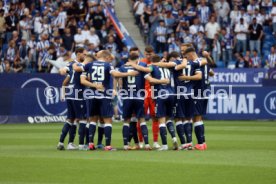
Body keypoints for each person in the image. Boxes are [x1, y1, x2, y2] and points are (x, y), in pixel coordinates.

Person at [80, 50, 138, 151]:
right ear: (106, 57)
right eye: (109, 58)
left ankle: (90, 143)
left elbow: (82, 80)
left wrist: (94, 85)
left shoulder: (89, 65)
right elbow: (115, 74)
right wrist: (129, 74)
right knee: (108, 120)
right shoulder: (108, 65)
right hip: (104, 96)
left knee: (93, 120)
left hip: (91, 95)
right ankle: (107, 145)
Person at [118, 53, 152, 150]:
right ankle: (147, 144)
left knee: (126, 121)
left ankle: (125, 145)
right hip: (139, 97)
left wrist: (120, 89)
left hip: (127, 97)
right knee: (142, 120)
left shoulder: (122, 67)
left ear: (129, 59)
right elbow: (148, 74)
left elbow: (120, 81)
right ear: (138, 58)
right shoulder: (141, 66)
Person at [56, 48, 88, 150]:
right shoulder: (80, 65)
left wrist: (63, 94)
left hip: (70, 95)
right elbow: (63, 71)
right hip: (78, 95)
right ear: (78, 54)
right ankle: (82, 145)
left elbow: (65, 81)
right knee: (82, 119)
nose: (86, 56)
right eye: (84, 54)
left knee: (71, 119)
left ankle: (62, 142)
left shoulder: (71, 64)